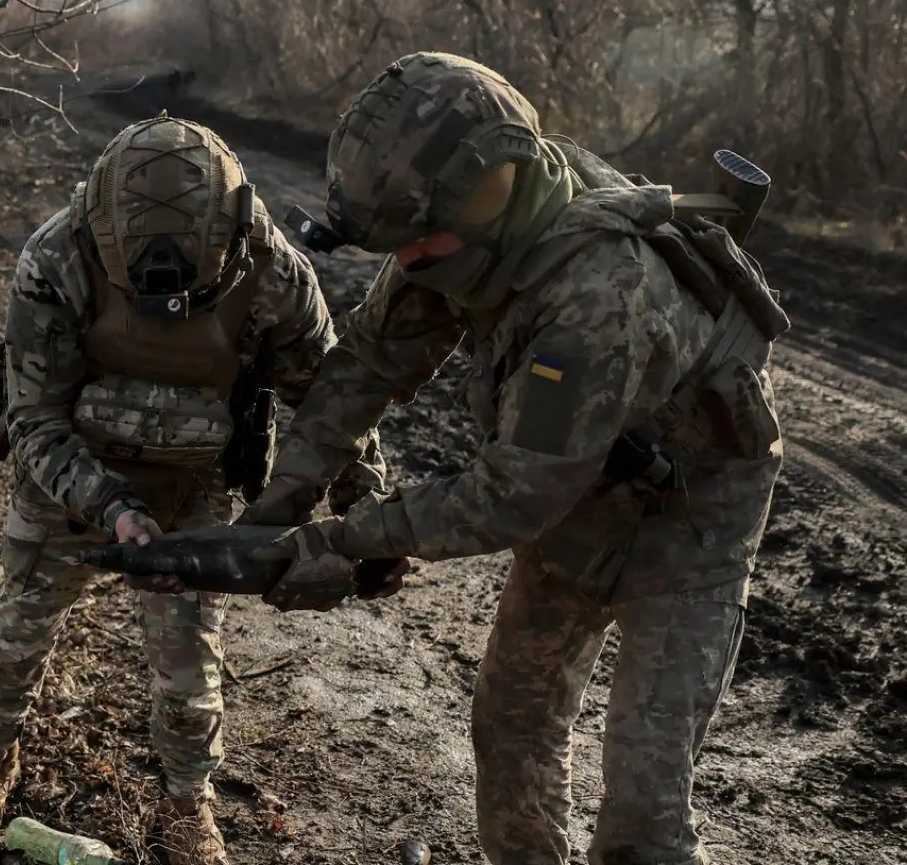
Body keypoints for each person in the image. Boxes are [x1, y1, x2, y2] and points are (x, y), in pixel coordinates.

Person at [241, 52, 787, 865]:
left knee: (643, 806)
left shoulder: (596, 296)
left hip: (692, 519)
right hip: (587, 489)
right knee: (514, 725)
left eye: (417, 244)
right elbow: (366, 365)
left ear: (486, 193)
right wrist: (282, 499)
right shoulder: (461, 225)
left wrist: (339, 539)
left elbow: (508, 498)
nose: (408, 264)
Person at [0, 113, 382, 864]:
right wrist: (110, 505)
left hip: (196, 482)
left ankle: (187, 803)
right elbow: (34, 417)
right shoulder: (58, 258)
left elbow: (331, 399)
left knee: (189, 670)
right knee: (17, 636)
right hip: (68, 476)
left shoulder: (271, 271)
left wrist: (364, 506)